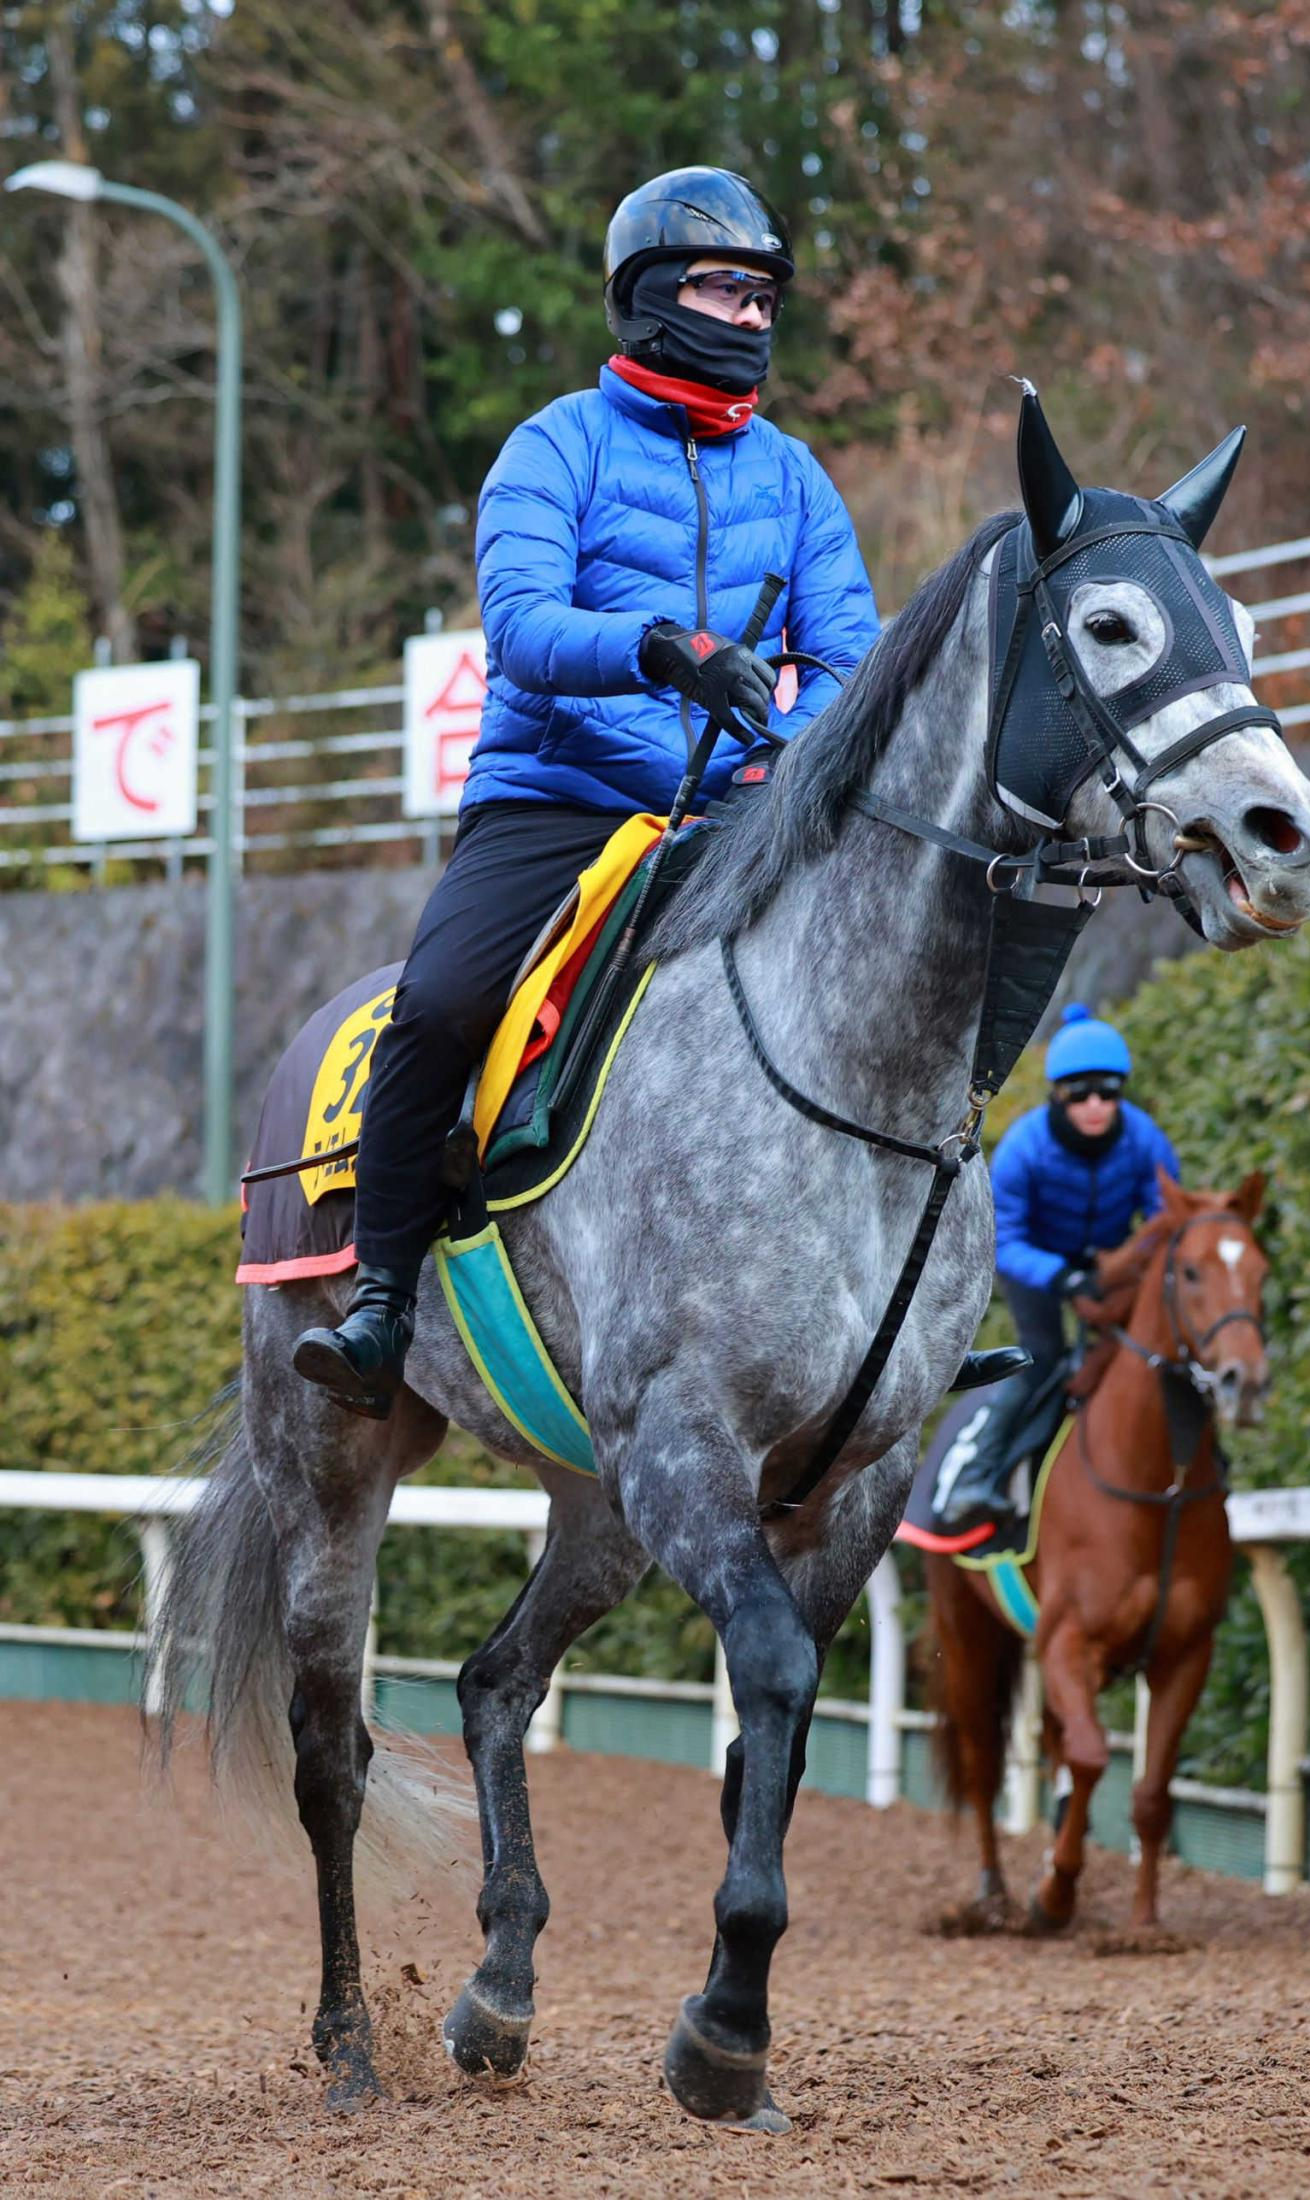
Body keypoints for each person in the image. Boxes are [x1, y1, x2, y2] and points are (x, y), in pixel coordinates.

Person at [292, 165, 881, 1417]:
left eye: (769, 295)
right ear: (656, 296)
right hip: (554, 795)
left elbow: (845, 655)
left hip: (740, 809)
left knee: (884, 969)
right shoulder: (553, 445)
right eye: (730, 289)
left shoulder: (796, 476)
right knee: (443, 1000)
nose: (756, 317)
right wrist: (661, 648)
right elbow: (520, 627)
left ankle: (902, 1311)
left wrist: (784, 753)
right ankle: (382, 1296)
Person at [932, 1003, 1181, 1529]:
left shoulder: (1144, 1140)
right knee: (1043, 1359)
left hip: (1108, 1264)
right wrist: (1063, 1277)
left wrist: (1129, 1267)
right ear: (1056, 1094)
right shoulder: (1024, 1148)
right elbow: (1006, 1241)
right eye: (1079, 1093)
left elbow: (1167, 1216)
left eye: (1108, 1092)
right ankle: (977, 1476)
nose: (1095, 1105)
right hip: (1036, 1266)